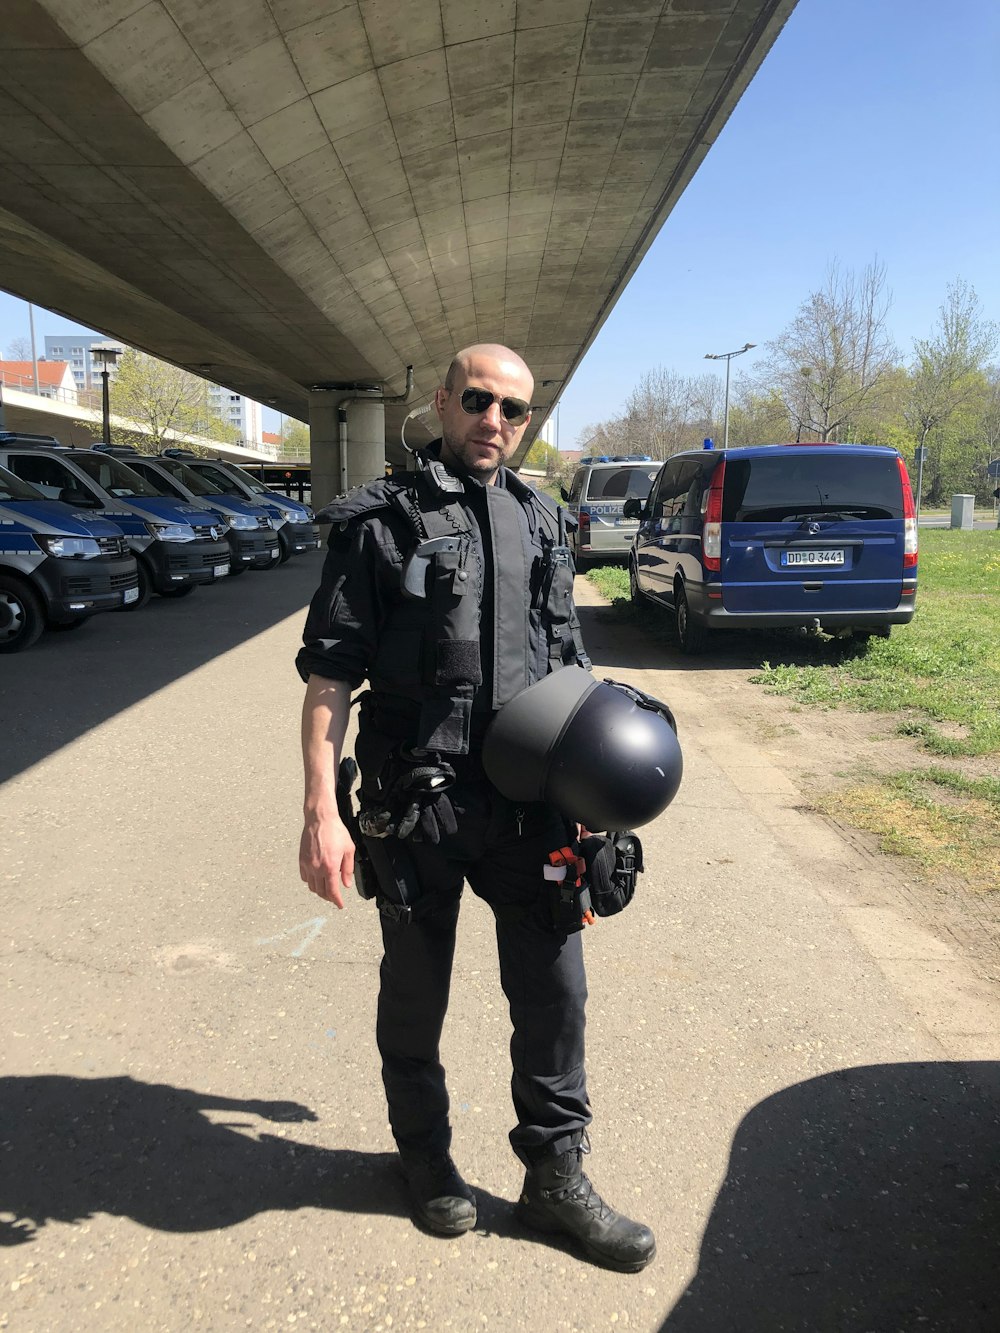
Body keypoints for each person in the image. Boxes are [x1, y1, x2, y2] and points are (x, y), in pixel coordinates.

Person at [296, 344, 655, 1273]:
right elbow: (332, 675)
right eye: (479, 401)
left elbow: (569, 667)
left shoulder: (543, 519)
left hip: (533, 808)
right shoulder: (379, 522)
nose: (495, 420)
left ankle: (553, 1178)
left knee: (555, 992)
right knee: (416, 996)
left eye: (516, 409)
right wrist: (319, 813)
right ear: (444, 402)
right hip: (423, 809)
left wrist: (597, 803)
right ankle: (425, 1159)